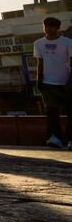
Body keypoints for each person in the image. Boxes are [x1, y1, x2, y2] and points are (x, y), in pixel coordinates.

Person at [33, 17, 72, 149]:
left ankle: (70, 139)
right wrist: (39, 80)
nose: (48, 29)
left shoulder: (68, 42)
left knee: (70, 112)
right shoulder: (38, 43)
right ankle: (55, 138)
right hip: (48, 83)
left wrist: (70, 81)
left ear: (58, 28)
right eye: (46, 26)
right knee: (52, 112)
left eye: (51, 26)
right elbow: (40, 62)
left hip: (66, 82)